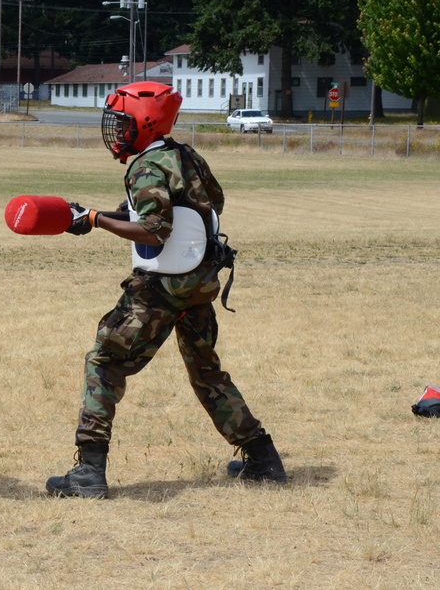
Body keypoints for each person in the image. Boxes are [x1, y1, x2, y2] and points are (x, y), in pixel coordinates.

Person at [46, 81, 286, 499]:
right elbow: (208, 205)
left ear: (145, 122)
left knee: (104, 361)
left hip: (161, 288)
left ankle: (88, 473)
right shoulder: (185, 156)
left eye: (122, 124)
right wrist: (118, 212)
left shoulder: (145, 168)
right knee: (207, 372)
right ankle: (263, 458)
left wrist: (96, 220)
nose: (115, 132)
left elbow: (156, 231)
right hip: (199, 284)